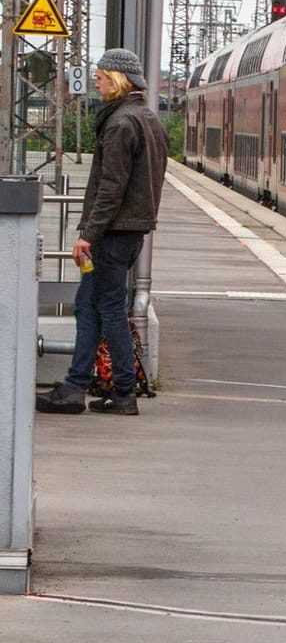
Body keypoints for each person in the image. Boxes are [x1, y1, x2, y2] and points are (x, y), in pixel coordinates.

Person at [37, 48, 168, 417]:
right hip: (128, 231)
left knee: (107, 308)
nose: (95, 81)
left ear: (118, 79)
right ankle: (76, 386)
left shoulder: (121, 123)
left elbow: (111, 187)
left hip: (112, 233)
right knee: (90, 305)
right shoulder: (146, 118)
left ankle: (122, 391)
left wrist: (88, 234)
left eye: (101, 75)